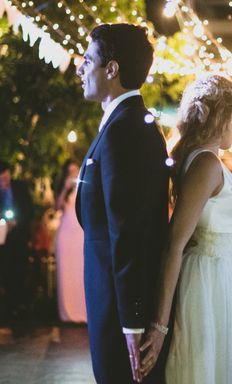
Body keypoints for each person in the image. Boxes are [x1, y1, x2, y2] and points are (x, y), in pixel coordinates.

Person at [139, 74, 232, 384]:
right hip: (211, 283)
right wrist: (160, 326)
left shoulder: (206, 158)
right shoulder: (206, 164)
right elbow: (175, 244)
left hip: (226, 277)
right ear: (223, 115)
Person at [75, 23, 169, 384]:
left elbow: (128, 229)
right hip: (110, 294)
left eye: (88, 60)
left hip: (120, 305)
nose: (81, 69)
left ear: (111, 69)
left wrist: (133, 318)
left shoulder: (125, 129)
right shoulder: (122, 122)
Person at [0, 160, 34, 325]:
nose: (2, 182)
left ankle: (20, 306)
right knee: (5, 272)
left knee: (20, 271)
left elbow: (28, 209)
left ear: (9, 175)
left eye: (5, 178)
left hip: (19, 236)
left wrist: (17, 222)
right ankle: (8, 308)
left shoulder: (20, 187)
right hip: (1, 237)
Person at [55, 160, 86, 323]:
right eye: (70, 171)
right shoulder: (64, 189)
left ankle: (83, 312)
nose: (73, 174)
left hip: (80, 234)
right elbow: (57, 207)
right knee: (66, 274)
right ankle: (66, 313)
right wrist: (65, 188)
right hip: (66, 234)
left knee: (81, 272)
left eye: (76, 170)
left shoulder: (86, 184)